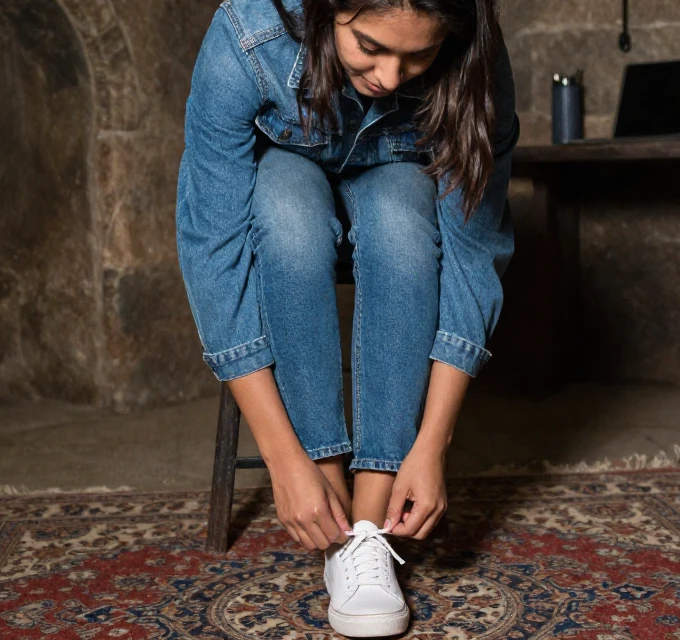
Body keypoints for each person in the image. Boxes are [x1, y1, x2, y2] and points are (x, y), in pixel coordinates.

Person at [176, 0, 516, 635]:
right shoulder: (249, 37)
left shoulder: (476, 59)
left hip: (399, 175)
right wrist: (283, 458)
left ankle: (367, 529)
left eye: (418, 56)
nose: (391, 77)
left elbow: (473, 256)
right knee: (287, 216)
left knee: (401, 223)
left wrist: (432, 443)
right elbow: (212, 250)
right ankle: (329, 514)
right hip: (287, 169)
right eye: (370, 46)